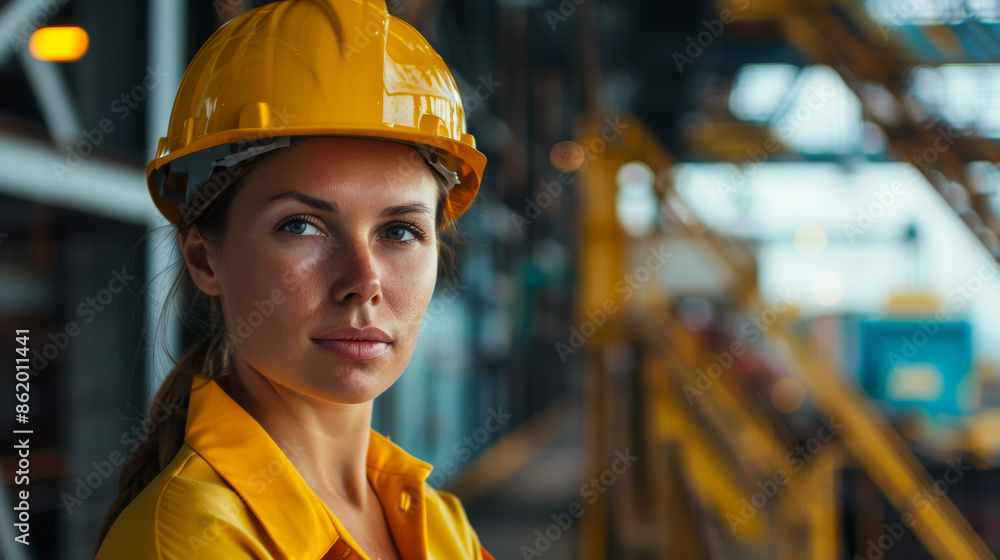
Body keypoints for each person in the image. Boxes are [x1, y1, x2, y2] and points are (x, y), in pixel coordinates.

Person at [92, 0, 491, 558]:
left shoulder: (437, 521)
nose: (363, 281)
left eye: (399, 232)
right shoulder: (192, 538)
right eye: (301, 226)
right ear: (206, 261)